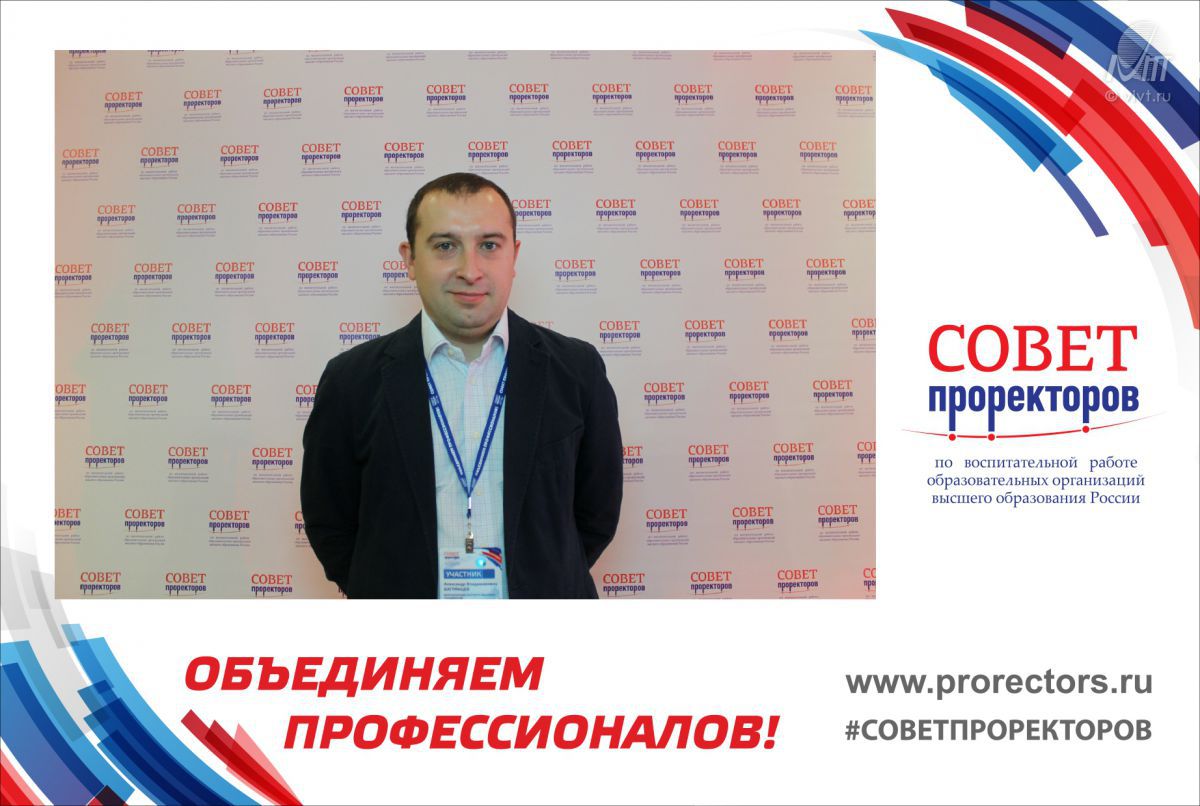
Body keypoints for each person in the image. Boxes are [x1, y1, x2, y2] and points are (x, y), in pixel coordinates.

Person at [300, 172, 623, 598]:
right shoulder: (350, 381)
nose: (470, 271)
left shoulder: (576, 370)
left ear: (513, 255)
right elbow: (330, 522)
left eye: (489, 246)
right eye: (445, 246)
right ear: (410, 259)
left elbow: (596, 515)